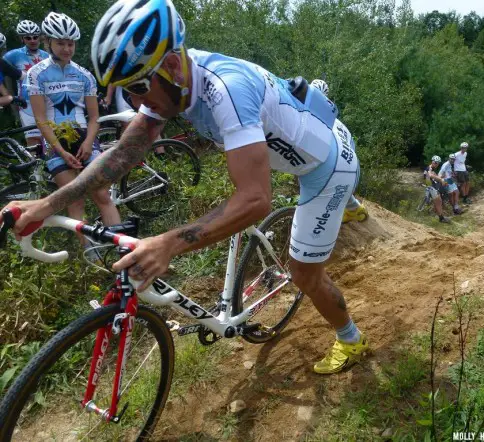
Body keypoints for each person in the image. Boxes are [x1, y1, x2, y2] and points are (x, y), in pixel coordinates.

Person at [4, 0, 368, 375]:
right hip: (302, 143)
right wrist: (47, 204)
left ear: (173, 66)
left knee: (304, 272)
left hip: (328, 164)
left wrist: (168, 243)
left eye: (138, 88)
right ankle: (347, 204)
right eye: (127, 91)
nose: (135, 102)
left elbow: (257, 200)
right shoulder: (170, 82)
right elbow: (121, 156)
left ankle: (351, 339)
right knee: (279, 166)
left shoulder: (227, 90)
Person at [25, 12, 120, 253]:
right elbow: (40, 119)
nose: (67, 49)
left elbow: (95, 117)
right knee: (74, 200)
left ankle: (122, 251)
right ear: (48, 43)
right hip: (56, 144)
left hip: (84, 139)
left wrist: (89, 143)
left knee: (101, 195)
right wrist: (59, 150)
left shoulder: (84, 74)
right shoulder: (36, 74)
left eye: (71, 43)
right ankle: (90, 256)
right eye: (61, 43)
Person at [310, 78, 368, 223]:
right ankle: (354, 208)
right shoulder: (335, 119)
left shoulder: (314, 115)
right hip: (350, 166)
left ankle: (350, 208)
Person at [3, 20, 49, 146]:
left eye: (35, 37)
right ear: (22, 39)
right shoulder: (13, 55)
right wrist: (6, 94)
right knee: (34, 142)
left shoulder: (47, 55)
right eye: (28, 38)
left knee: (51, 139)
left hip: (48, 101)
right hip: (27, 104)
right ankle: (35, 165)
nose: (33, 40)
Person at [424, 155, 451, 223]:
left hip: (431, 186)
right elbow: (430, 175)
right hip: (430, 187)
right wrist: (440, 179)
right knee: (438, 201)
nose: (436, 164)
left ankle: (440, 217)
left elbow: (434, 176)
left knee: (438, 201)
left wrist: (441, 177)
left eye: (438, 163)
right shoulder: (429, 168)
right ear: (432, 162)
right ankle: (441, 218)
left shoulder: (432, 169)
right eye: (435, 162)